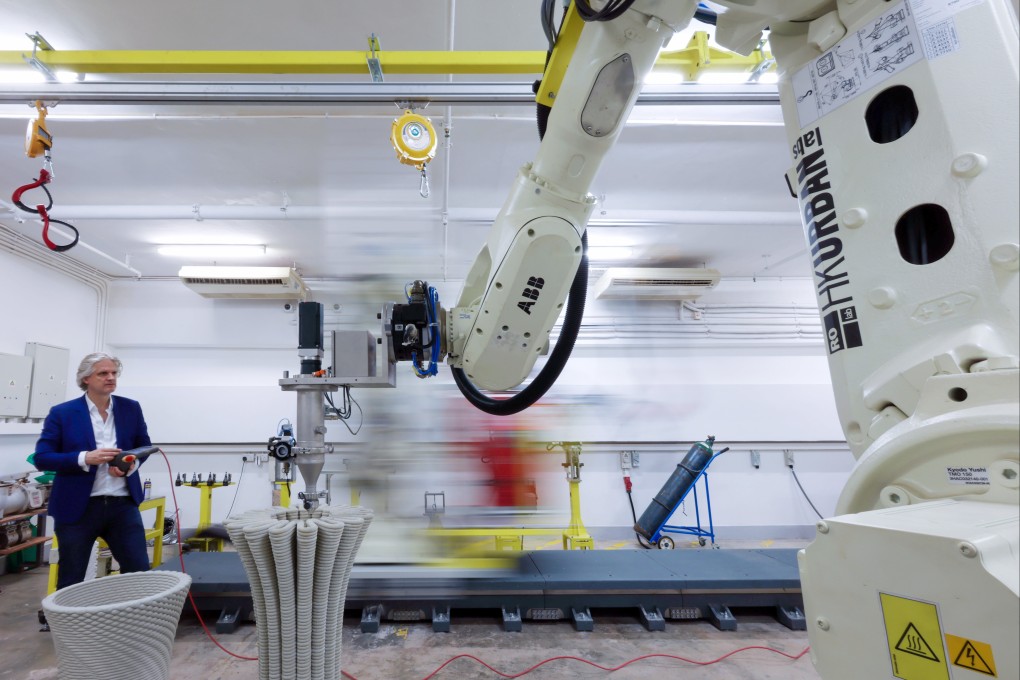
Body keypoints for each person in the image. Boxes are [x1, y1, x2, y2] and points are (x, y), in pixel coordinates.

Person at [32, 352, 153, 591]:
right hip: (78, 509)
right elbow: (42, 458)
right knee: (71, 578)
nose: (111, 378)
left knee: (139, 572)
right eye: (103, 373)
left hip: (122, 505)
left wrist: (129, 465)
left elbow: (144, 447)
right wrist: (84, 458)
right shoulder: (63, 413)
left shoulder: (130, 408)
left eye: (114, 373)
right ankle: (68, 615)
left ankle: (135, 615)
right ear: (86, 378)